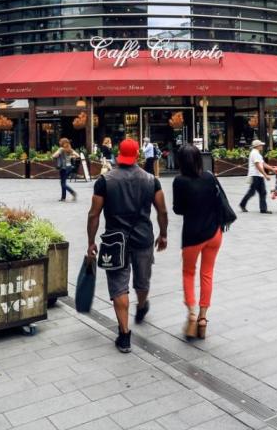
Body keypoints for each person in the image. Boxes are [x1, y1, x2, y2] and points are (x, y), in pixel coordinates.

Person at [87, 138, 168, 353]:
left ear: (119, 155)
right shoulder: (152, 180)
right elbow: (162, 210)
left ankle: (124, 335)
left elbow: (94, 214)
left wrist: (91, 242)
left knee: (118, 287)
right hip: (143, 238)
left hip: (115, 241)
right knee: (142, 280)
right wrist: (164, 235)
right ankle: (142, 305)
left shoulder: (104, 181)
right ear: (138, 157)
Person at [172, 144, 223, 341]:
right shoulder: (210, 177)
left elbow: (178, 209)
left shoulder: (179, 181)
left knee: (188, 273)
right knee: (207, 274)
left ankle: (192, 315)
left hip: (193, 235)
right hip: (214, 234)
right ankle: (203, 318)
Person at [239, 139, 275, 214]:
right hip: (255, 175)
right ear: (257, 146)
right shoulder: (254, 153)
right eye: (261, 145)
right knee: (252, 192)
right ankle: (242, 204)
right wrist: (266, 175)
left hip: (259, 175)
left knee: (263, 192)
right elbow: (258, 165)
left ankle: (263, 209)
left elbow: (263, 164)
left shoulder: (257, 153)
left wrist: (272, 169)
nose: (262, 146)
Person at [51, 138, 78, 202]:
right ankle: (63, 198)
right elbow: (77, 155)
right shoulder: (70, 149)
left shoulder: (61, 149)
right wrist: (71, 157)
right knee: (63, 182)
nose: (59, 142)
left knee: (63, 183)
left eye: (60, 141)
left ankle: (73, 193)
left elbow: (54, 155)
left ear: (62, 143)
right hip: (69, 167)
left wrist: (54, 156)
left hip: (63, 167)